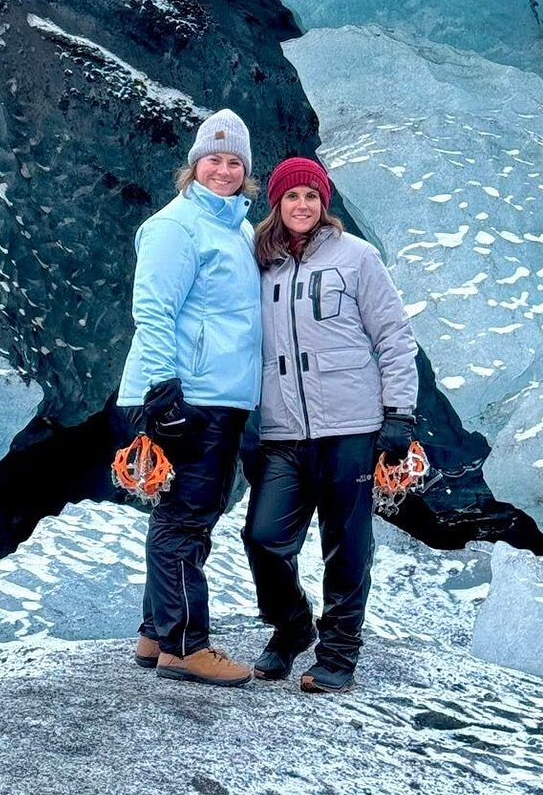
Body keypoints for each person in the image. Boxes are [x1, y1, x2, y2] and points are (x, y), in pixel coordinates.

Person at [243, 155, 418, 693]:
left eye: (311, 197)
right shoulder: (261, 263)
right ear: (277, 203)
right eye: (292, 196)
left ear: (324, 204)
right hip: (283, 431)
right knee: (263, 537)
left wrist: (399, 413)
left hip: (349, 426)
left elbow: (392, 334)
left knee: (346, 542)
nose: (302, 205)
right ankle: (292, 626)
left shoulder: (356, 257)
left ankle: (339, 650)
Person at [117, 108, 261, 687]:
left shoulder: (238, 229)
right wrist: (162, 390)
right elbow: (152, 310)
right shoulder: (175, 226)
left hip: (219, 395)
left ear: (246, 172)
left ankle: (155, 633)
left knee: (185, 515)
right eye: (213, 159)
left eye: (234, 162)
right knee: (187, 519)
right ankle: (184, 646)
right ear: (193, 166)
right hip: (185, 394)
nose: (223, 170)